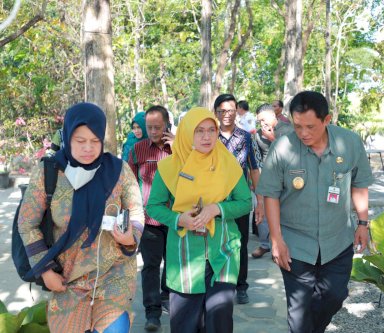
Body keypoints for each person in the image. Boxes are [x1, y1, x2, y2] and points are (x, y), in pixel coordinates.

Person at [18, 102, 145, 333]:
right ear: (67, 136)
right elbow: (27, 223)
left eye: (95, 141)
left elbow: (136, 211)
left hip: (113, 273)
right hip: (67, 280)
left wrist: (131, 237)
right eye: (80, 141)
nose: (88, 148)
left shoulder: (119, 171)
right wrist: (45, 270)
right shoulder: (48, 172)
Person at [256, 91, 373, 333]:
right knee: (298, 314)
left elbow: (359, 184)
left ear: (327, 119)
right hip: (295, 243)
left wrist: (363, 223)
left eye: (310, 127)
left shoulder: (349, 142)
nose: (303, 133)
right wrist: (276, 239)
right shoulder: (283, 147)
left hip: (337, 240)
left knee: (335, 296)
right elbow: (270, 195)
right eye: (298, 126)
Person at [146, 107, 252, 333]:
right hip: (185, 258)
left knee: (219, 323)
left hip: (223, 253)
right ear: (186, 134)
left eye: (211, 130)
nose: (207, 137)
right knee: (186, 324)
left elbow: (245, 202)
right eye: (199, 131)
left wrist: (217, 208)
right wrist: (178, 219)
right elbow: (153, 206)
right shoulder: (168, 167)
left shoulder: (228, 163)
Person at [128, 105, 175, 331]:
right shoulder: (137, 150)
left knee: (173, 262)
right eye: (149, 127)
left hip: (176, 217)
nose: (154, 131)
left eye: (158, 127)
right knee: (150, 266)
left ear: (167, 124)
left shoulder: (179, 148)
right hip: (149, 218)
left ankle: (168, 296)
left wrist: (179, 149)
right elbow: (127, 184)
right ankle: (152, 312)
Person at [214, 93, 264, 304]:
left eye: (231, 110)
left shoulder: (246, 137)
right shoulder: (209, 135)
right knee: (215, 241)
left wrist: (259, 201)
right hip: (213, 198)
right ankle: (218, 283)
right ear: (215, 112)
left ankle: (241, 285)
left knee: (241, 243)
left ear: (237, 112)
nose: (227, 115)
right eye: (222, 111)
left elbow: (254, 169)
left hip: (239, 199)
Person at [251, 103, 292, 259]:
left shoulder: (288, 130)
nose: (262, 124)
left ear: (273, 115)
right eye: (259, 121)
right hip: (266, 175)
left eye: (264, 120)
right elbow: (257, 156)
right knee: (262, 209)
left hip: (285, 175)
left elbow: (289, 153)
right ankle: (264, 244)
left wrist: (272, 138)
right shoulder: (258, 134)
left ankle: (282, 245)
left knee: (283, 212)